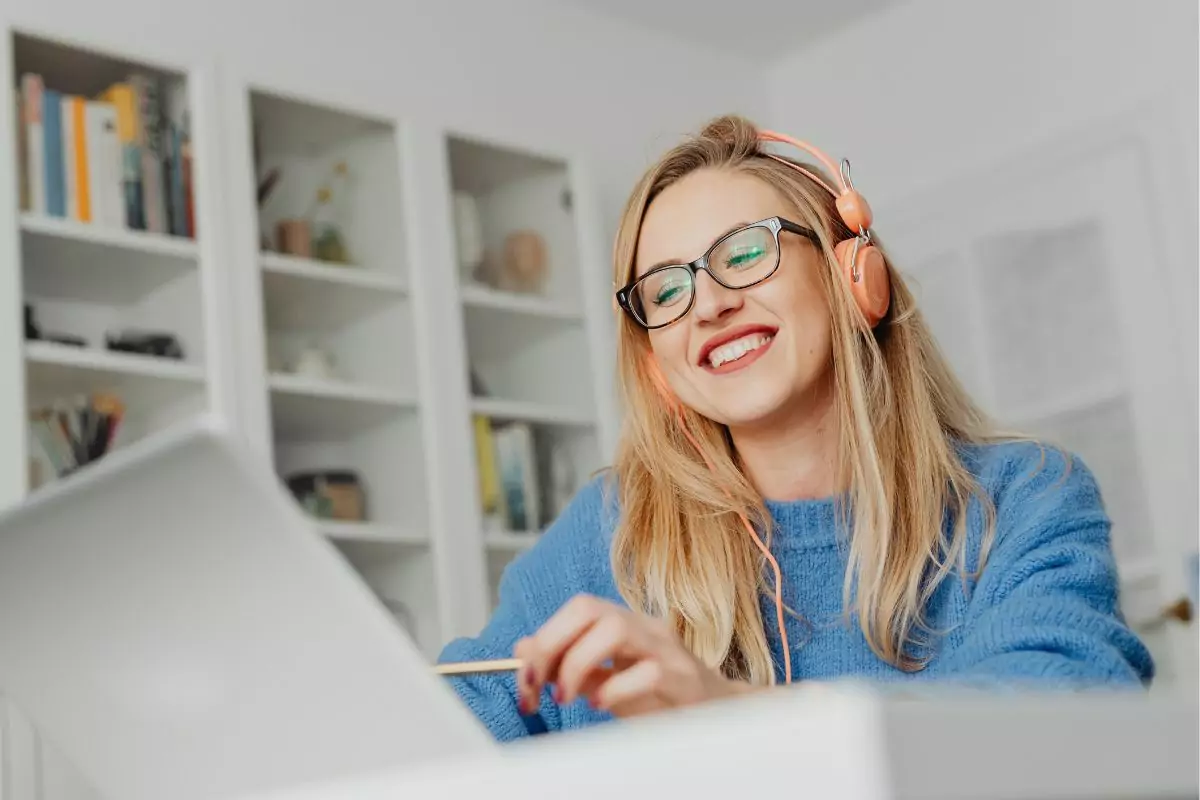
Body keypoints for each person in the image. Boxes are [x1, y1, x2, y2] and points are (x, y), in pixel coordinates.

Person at [437, 114, 1154, 742]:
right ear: (659, 364)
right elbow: (450, 720)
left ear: (853, 277)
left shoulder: (1023, 500)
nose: (707, 305)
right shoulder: (608, 534)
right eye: (666, 290)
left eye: (745, 253)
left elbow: (1070, 708)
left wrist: (730, 712)